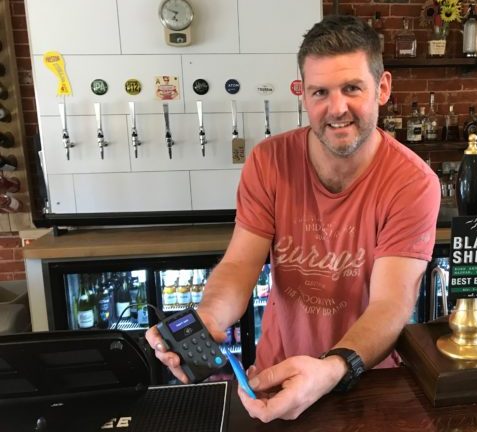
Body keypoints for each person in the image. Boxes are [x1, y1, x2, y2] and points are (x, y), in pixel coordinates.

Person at [146, 14, 440, 422]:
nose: (337, 108)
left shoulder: (412, 183)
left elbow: (391, 304)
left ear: (383, 88)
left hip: (365, 380)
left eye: (352, 88)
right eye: (320, 92)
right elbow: (240, 264)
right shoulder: (269, 162)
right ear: (302, 94)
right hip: (276, 375)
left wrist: (333, 368)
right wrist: (210, 317)